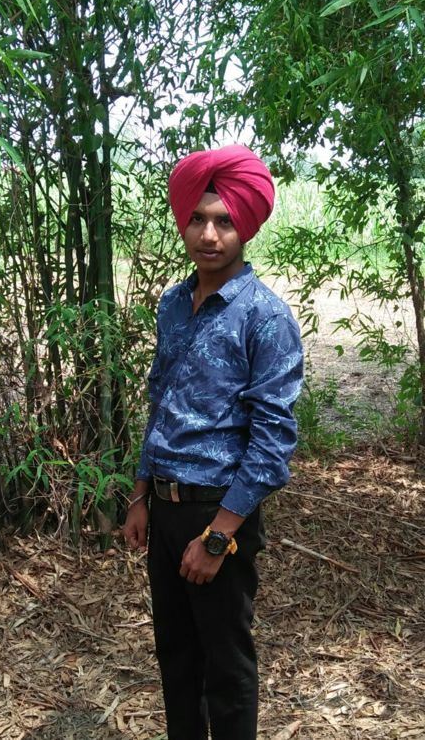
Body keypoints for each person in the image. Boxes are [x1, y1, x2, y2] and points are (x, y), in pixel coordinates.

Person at [123, 146, 304, 740]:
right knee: (176, 659)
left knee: (225, 667)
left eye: (224, 221)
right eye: (198, 218)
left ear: (245, 226)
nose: (208, 234)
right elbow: (161, 400)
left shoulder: (265, 317)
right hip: (166, 507)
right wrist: (141, 494)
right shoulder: (174, 304)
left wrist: (219, 536)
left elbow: (272, 441)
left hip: (219, 511)